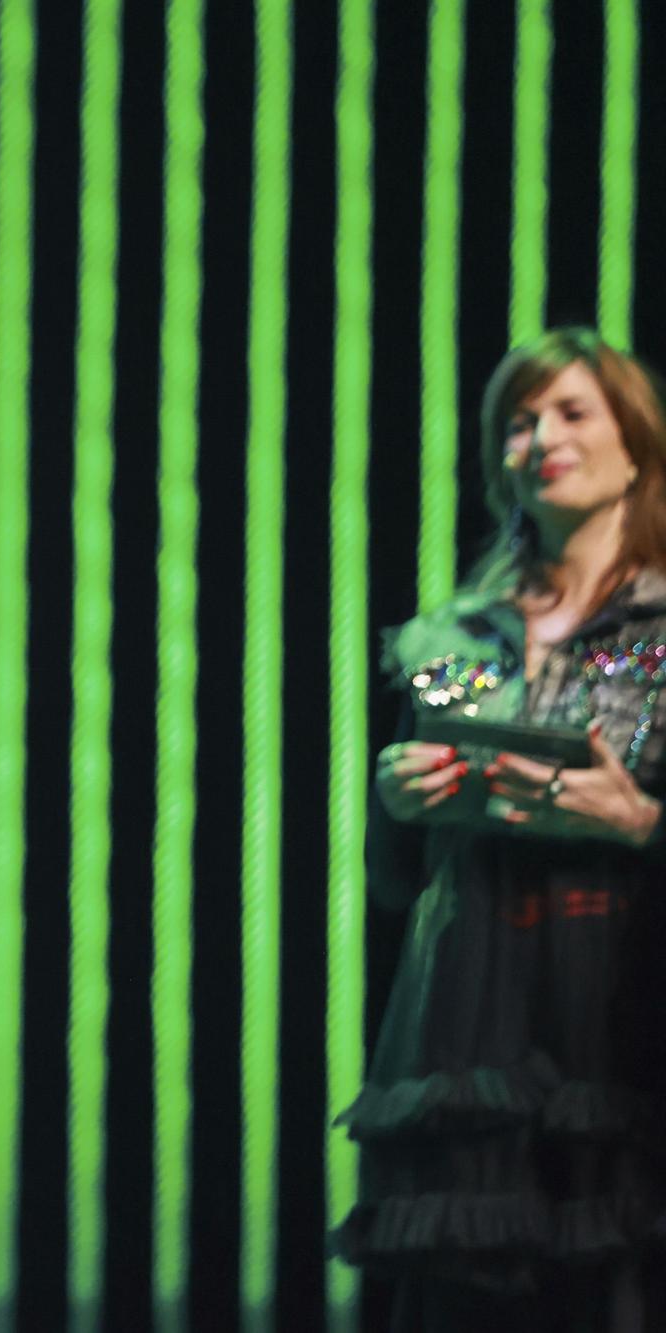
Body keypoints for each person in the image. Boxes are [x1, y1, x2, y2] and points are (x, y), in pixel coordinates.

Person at [335, 328, 666, 1329]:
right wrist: (396, 805)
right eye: (517, 421)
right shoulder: (455, 638)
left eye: (569, 411)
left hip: (623, 995)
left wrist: (643, 820)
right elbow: (393, 878)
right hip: (472, 1007)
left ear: (634, 444)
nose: (539, 437)